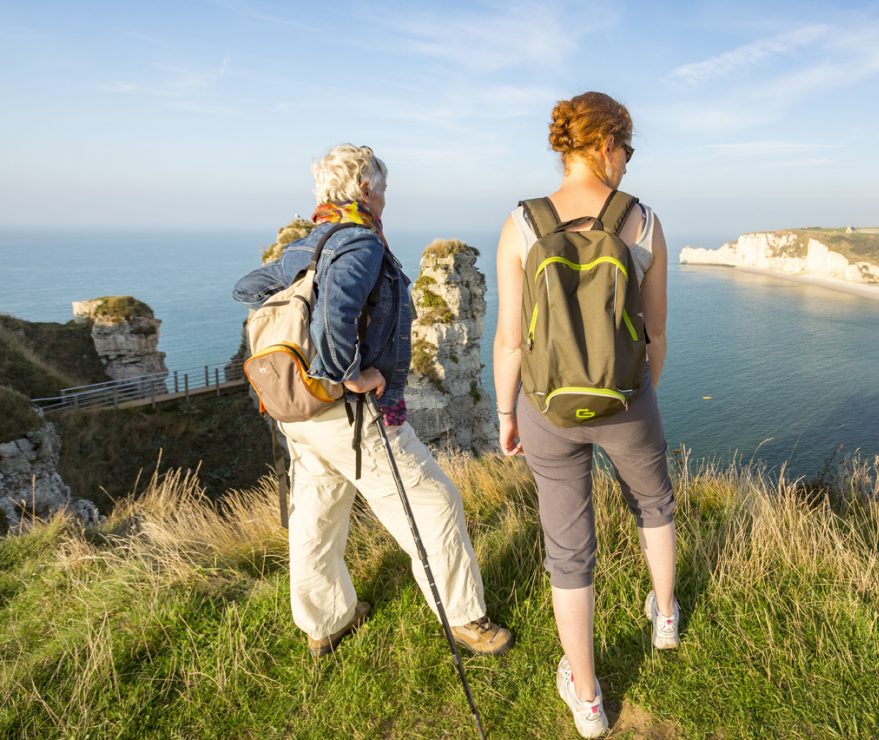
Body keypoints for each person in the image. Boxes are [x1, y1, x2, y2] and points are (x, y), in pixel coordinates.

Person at [233, 144, 512, 658]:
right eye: (382, 186)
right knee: (434, 502)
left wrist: (300, 305)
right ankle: (465, 620)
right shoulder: (359, 242)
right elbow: (336, 313)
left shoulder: (308, 245)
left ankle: (327, 621)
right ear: (364, 188)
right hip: (348, 414)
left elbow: (248, 288)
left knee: (317, 513)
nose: (386, 196)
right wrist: (348, 373)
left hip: (300, 414)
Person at [492, 93, 677, 737]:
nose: (627, 161)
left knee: (569, 550)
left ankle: (589, 697)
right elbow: (655, 335)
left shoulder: (521, 224)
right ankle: (666, 616)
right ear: (605, 145)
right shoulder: (644, 222)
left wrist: (505, 413)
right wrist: (635, 394)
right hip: (628, 400)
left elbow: (511, 339)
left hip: (548, 407)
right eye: (626, 149)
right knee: (654, 502)